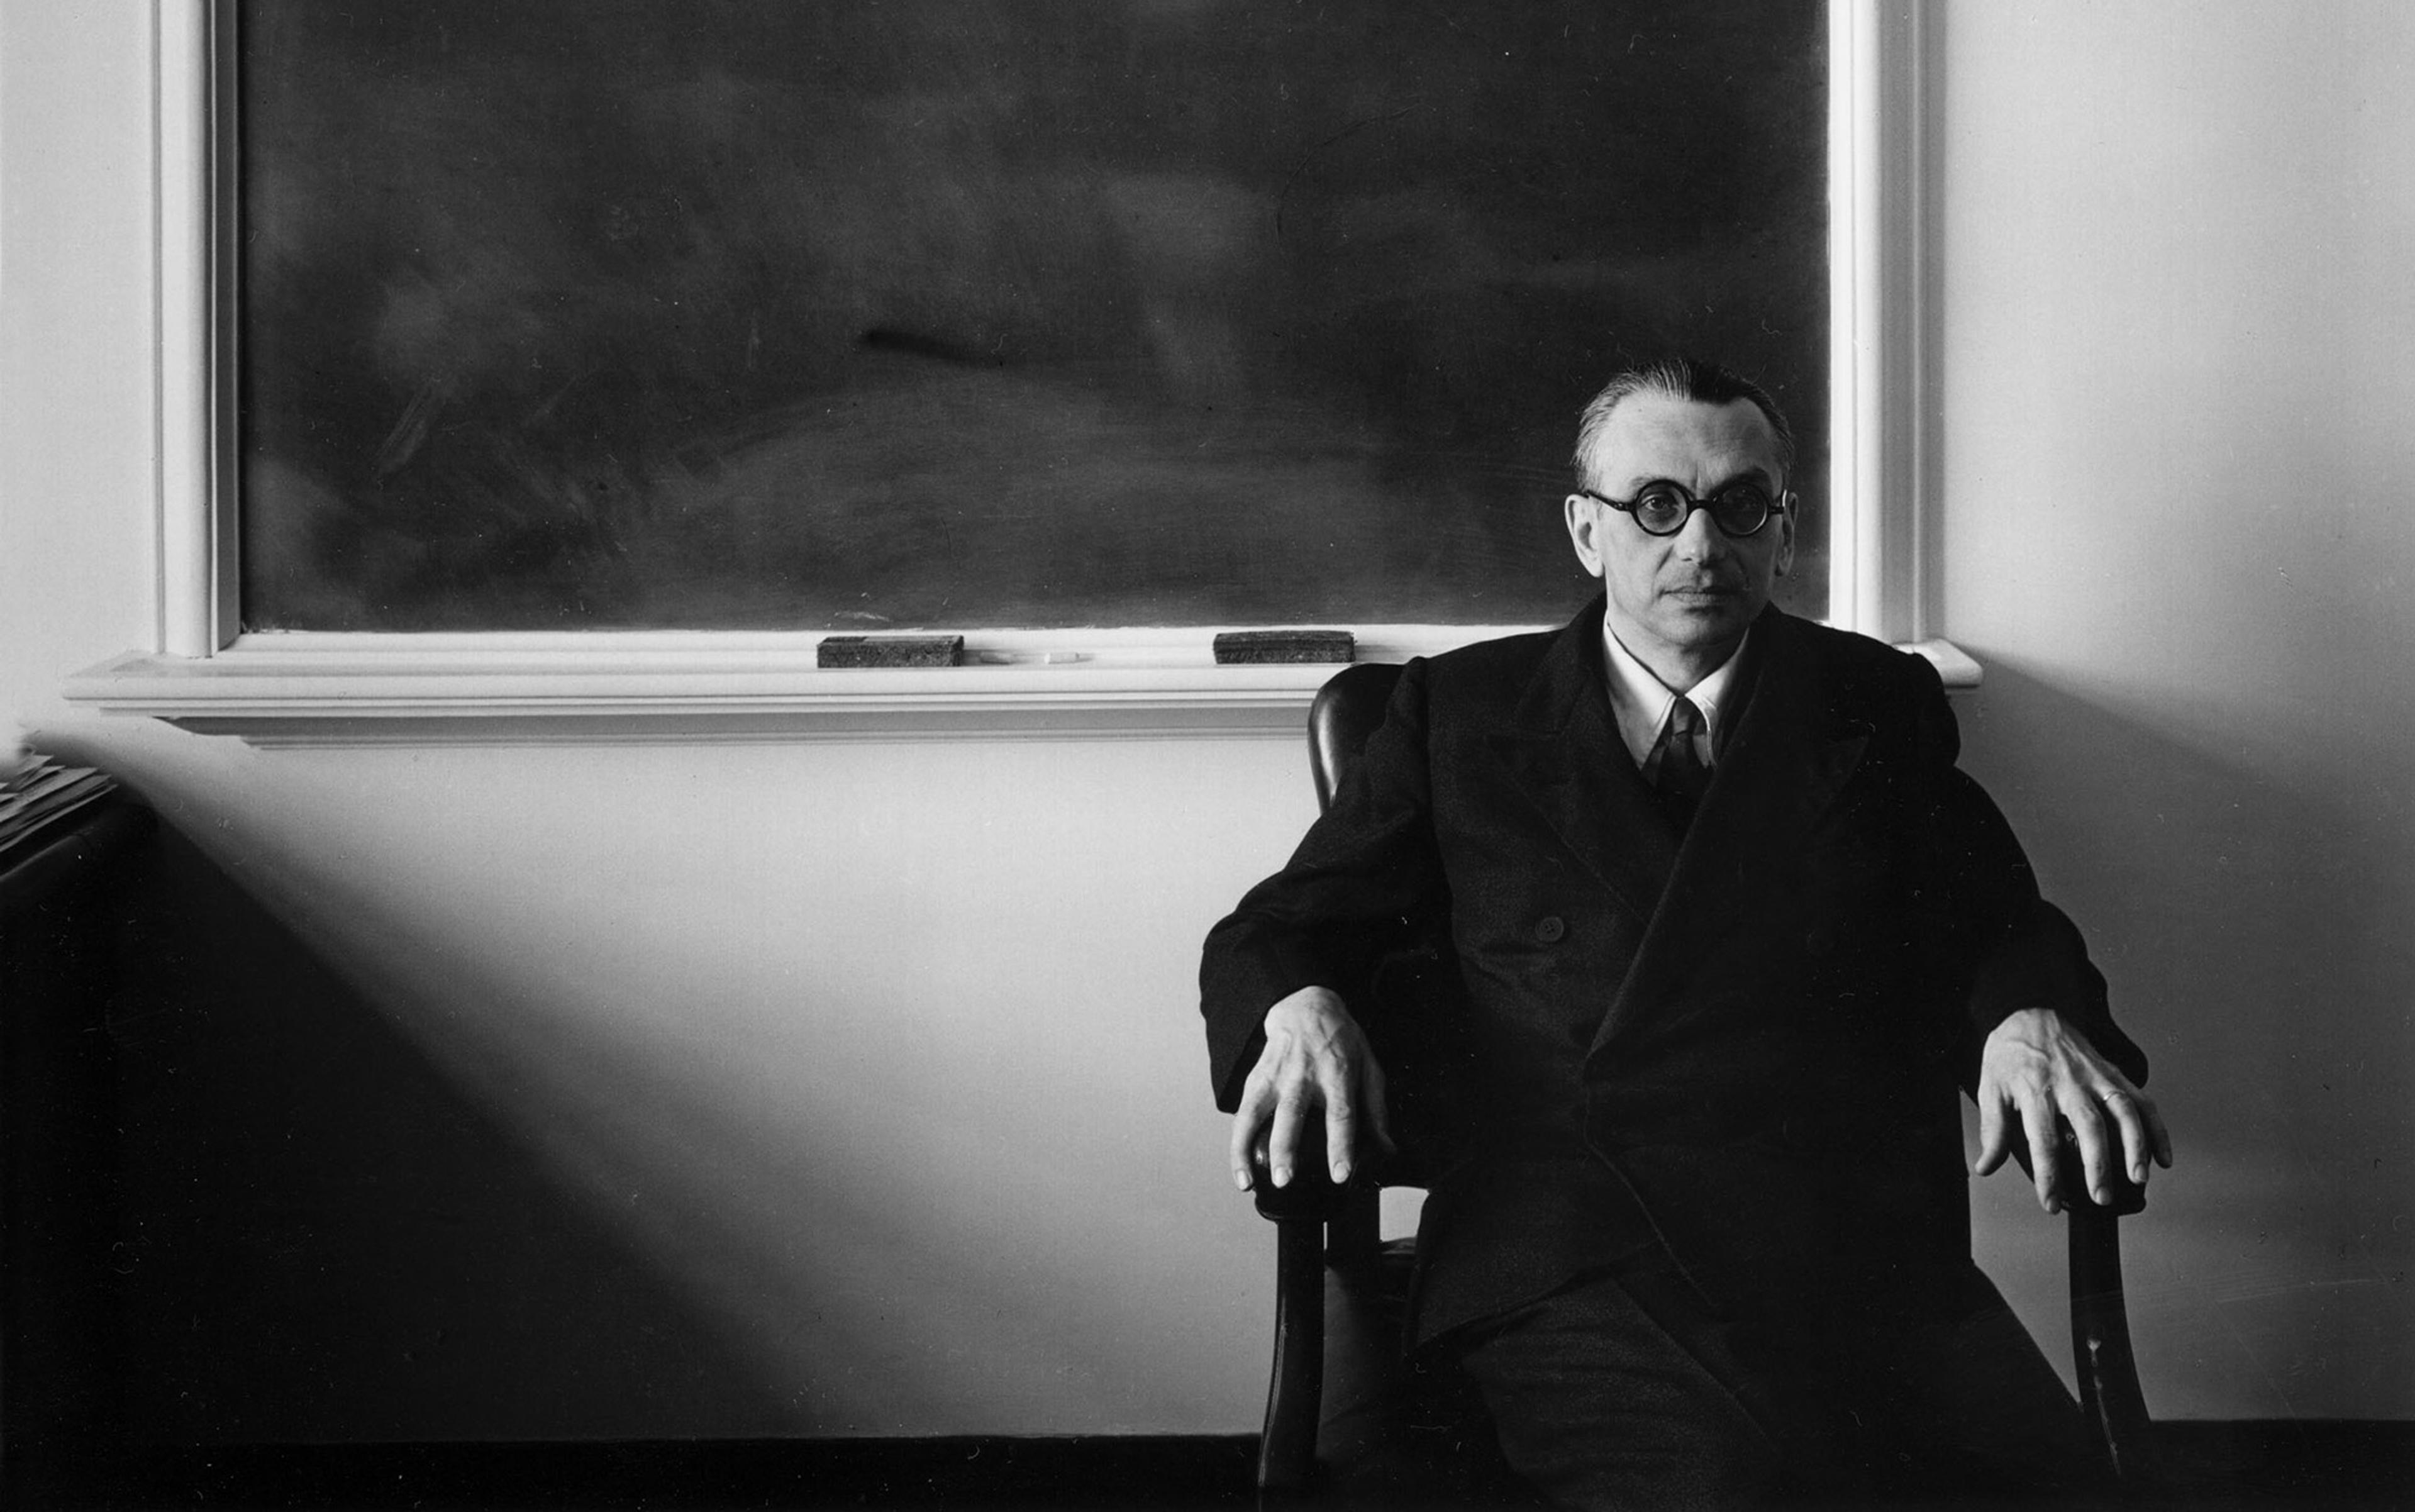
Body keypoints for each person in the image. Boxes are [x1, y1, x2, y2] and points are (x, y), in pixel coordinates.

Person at [1197, 358, 2172, 1508]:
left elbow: (1990, 916)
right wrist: (1297, 1002)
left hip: (1834, 1241)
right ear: (1586, 531)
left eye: (1740, 505)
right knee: (1728, 1480)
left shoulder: (1873, 701)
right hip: (1570, 1241)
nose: (1701, 545)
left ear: (1784, 530)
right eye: (1656, 505)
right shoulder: (1457, 715)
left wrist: (2024, 1013)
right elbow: (1279, 926)